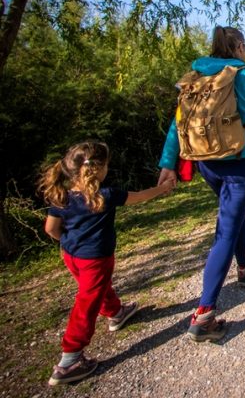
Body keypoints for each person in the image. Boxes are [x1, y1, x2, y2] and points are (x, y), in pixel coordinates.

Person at [157, 26, 245, 343]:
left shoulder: (195, 76)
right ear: (237, 47)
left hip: (207, 163)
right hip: (243, 162)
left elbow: (178, 123)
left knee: (235, 213)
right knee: (227, 228)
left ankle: (244, 266)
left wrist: (167, 162)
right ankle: (204, 314)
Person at [40, 141, 175, 386]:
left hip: (71, 255)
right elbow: (141, 196)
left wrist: (70, 242)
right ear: (99, 169)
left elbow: (51, 229)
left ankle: (115, 312)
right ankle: (69, 359)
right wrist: (164, 187)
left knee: (95, 289)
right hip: (95, 258)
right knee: (87, 301)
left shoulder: (61, 196)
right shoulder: (107, 196)